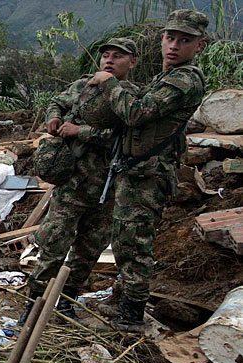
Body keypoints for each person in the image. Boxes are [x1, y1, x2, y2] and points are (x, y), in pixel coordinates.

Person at [87, 9, 208, 331]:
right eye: (170, 38)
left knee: (134, 244)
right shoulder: (166, 77)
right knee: (124, 239)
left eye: (185, 40)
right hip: (137, 171)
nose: (174, 46)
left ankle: (131, 315)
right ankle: (121, 298)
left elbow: (136, 114)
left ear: (199, 45)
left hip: (149, 176)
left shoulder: (184, 79)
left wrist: (110, 83)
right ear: (162, 39)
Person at [20, 38, 140, 325]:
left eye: (118, 56)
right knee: (54, 242)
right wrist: (54, 118)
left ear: (132, 62)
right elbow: (56, 102)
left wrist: (80, 131)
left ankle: (67, 300)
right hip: (73, 183)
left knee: (89, 249)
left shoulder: (131, 98)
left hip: (108, 187)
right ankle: (34, 304)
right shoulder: (84, 85)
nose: (109, 60)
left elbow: (126, 137)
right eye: (106, 55)